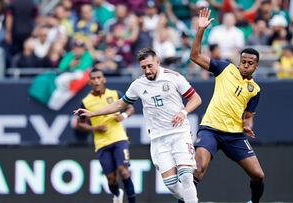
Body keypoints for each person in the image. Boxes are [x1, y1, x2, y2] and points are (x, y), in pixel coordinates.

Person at [75, 48, 202, 203]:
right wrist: (92, 113)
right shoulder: (138, 85)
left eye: (150, 66)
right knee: (171, 185)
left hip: (179, 133)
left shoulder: (174, 77)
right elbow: (121, 104)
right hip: (158, 139)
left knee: (186, 175)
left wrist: (183, 112)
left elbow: (196, 99)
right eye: (143, 67)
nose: (147, 70)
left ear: (157, 62)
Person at [190, 8, 265, 203]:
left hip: (234, 135)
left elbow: (249, 117)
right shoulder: (225, 69)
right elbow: (195, 56)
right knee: (198, 169)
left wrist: (248, 126)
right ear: (239, 61)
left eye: (250, 63)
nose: (245, 65)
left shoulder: (254, 89)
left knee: (258, 175)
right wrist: (200, 30)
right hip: (211, 130)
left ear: (256, 66)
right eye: (243, 61)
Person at [76, 68, 136, 203]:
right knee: (111, 179)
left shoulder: (115, 94)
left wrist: (124, 115)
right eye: (93, 78)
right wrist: (94, 127)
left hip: (119, 138)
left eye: (99, 77)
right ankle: (117, 193)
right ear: (89, 82)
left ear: (104, 79)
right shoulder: (86, 102)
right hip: (102, 143)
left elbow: (131, 107)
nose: (96, 81)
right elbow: (80, 124)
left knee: (124, 171)